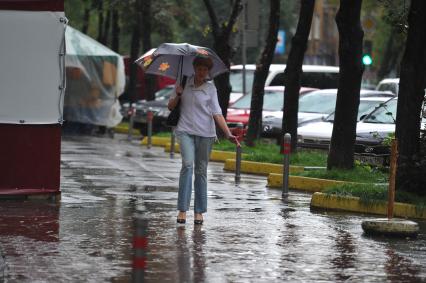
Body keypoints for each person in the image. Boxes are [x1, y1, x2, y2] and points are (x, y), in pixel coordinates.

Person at [167, 55, 237, 225]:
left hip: (205, 134)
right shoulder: (183, 83)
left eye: (205, 70)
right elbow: (170, 106)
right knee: (188, 165)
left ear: (208, 72)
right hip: (185, 131)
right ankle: (182, 210)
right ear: (194, 68)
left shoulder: (210, 89)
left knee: (201, 171)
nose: (202, 72)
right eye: (199, 69)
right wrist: (177, 95)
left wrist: (227, 134)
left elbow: (217, 113)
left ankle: (199, 212)